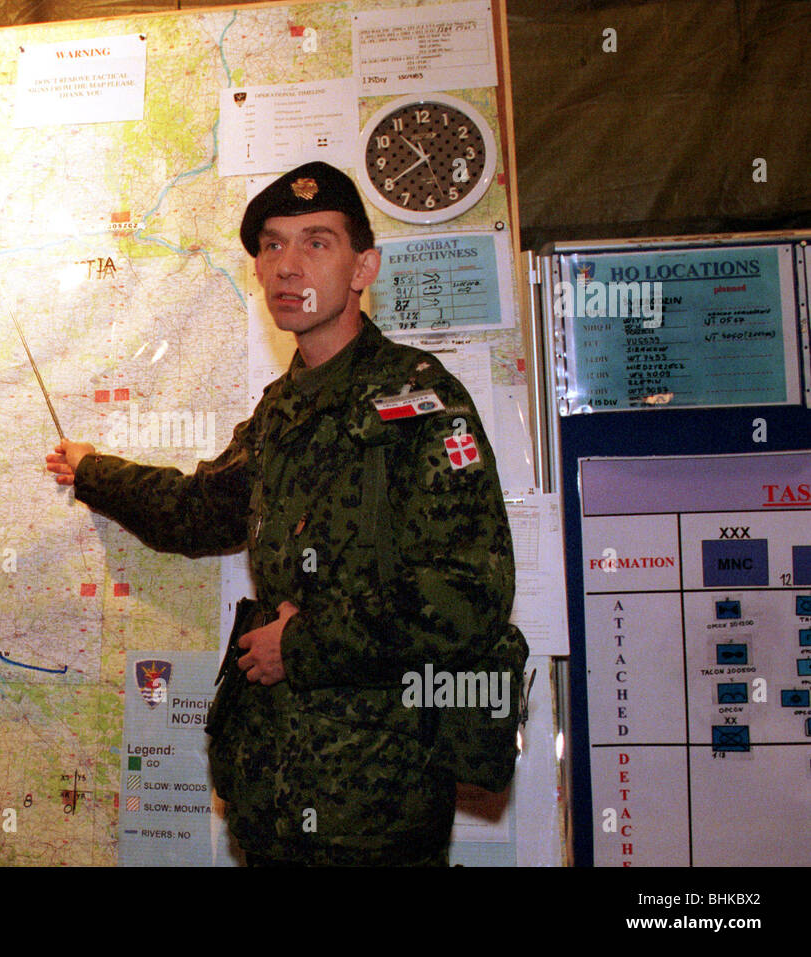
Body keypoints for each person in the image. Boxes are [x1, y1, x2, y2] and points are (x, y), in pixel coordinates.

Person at [46, 161, 517, 865]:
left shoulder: (420, 402)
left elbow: (470, 592)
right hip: (275, 799)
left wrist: (300, 645)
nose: (287, 267)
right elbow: (197, 512)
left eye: (315, 243)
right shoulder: (281, 411)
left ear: (364, 267)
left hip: (375, 811)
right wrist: (93, 471)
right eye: (271, 246)